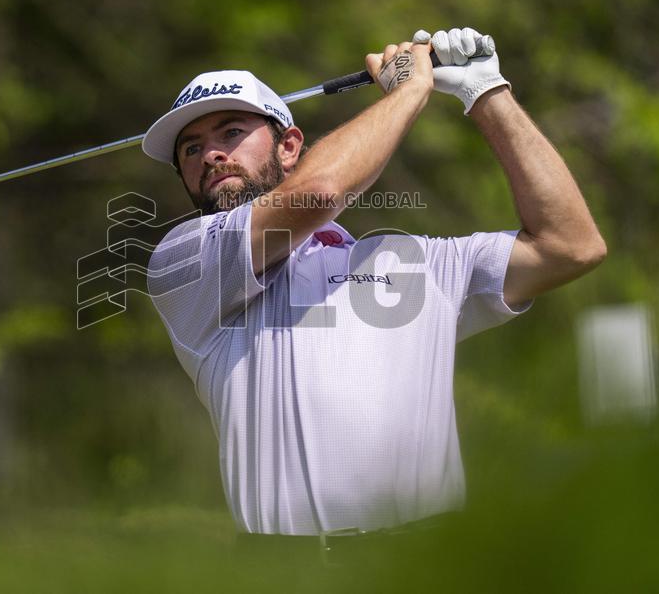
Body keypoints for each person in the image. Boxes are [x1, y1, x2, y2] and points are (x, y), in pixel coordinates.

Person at [141, 28, 606, 549]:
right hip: (285, 575)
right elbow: (318, 192)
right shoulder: (184, 263)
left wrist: (487, 92)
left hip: (426, 564)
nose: (210, 155)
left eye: (231, 133)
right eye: (191, 148)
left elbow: (571, 245)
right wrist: (410, 91)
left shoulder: (408, 263)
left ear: (290, 145)